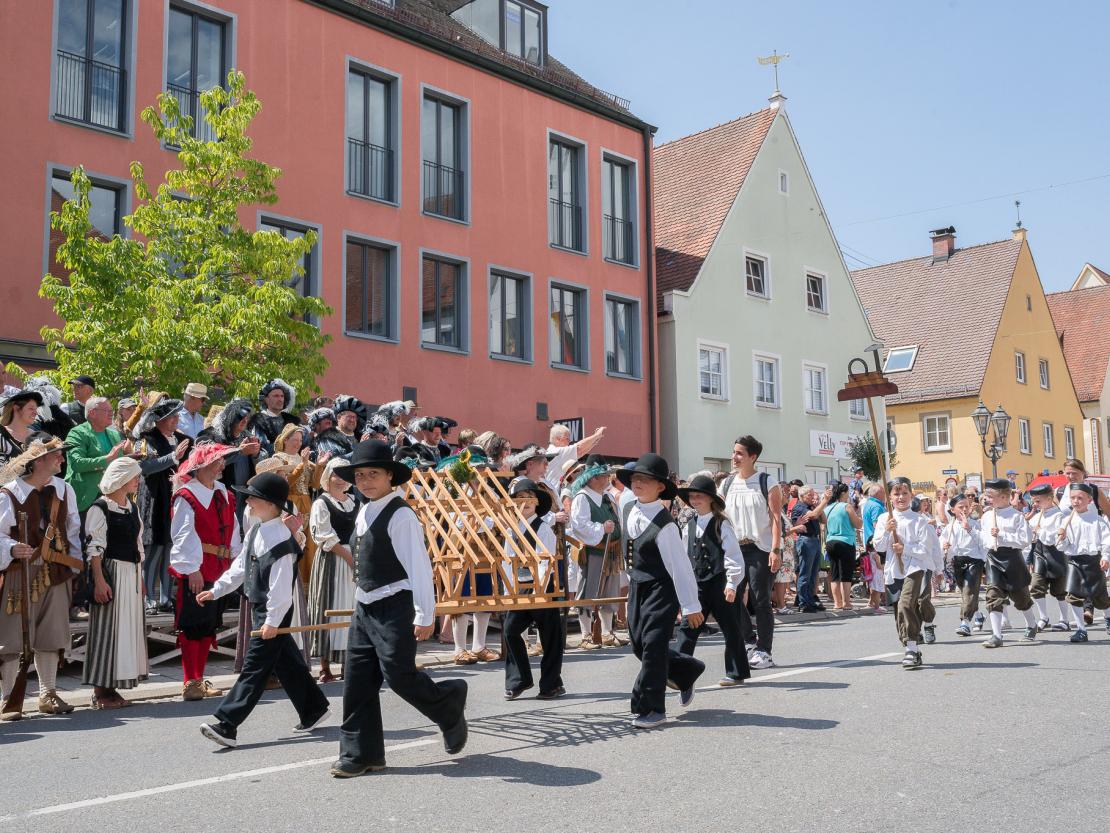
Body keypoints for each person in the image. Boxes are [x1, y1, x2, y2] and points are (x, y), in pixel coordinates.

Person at [330, 440, 468, 777]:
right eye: (359, 475)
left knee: (398, 675)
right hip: (365, 606)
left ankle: (448, 705)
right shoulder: (364, 509)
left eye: (373, 474)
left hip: (395, 604)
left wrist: (425, 614)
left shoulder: (402, 514)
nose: (365, 481)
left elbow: (419, 567)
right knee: (358, 681)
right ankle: (361, 754)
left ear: (390, 476)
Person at [196, 472, 330, 748]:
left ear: (270, 503)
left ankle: (227, 724)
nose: (248, 502)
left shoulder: (282, 540)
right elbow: (241, 567)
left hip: (274, 611)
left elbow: (281, 589)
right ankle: (314, 708)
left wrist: (272, 621)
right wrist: (217, 589)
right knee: (287, 662)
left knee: (254, 668)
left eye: (253, 498)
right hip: (260, 606)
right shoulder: (257, 529)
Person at [617, 453, 704, 729]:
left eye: (646, 480)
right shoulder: (628, 508)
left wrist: (691, 607)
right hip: (638, 586)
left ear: (660, 487)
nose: (638, 483)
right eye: (635, 478)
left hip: (661, 589)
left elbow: (680, 567)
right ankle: (686, 670)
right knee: (639, 645)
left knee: (653, 647)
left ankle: (651, 707)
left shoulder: (666, 525)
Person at [0, 434, 83, 719]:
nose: (62, 458)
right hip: (19, 571)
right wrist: (12, 548)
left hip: (56, 572)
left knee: (52, 634)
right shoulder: (9, 493)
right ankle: (9, 697)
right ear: (38, 461)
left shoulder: (64, 489)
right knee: (12, 637)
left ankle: (48, 693)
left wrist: (74, 568)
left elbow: (72, 531)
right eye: (56, 454)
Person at [168, 443, 242, 701]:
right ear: (202, 465)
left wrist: (234, 561)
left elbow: (233, 529)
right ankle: (190, 680)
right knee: (193, 624)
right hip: (199, 567)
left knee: (209, 623)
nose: (222, 465)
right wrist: (192, 570)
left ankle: (198, 678)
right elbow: (182, 534)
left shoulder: (224, 493)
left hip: (220, 567)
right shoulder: (187, 496)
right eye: (217, 460)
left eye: (222, 460)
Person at [82, 457, 148, 709]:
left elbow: (138, 543)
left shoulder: (132, 508)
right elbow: (95, 549)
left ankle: (113, 688)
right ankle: (101, 692)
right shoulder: (100, 508)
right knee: (108, 630)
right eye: (134, 476)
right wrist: (99, 581)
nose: (138, 480)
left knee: (125, 630)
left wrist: (139, 577)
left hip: (130, 573)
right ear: (122, 479)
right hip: (111, 572)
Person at [673, 474, 749, 687]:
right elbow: (684, 556)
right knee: (688, 628)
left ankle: (736, 672)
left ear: (710, 499)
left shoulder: (721, 524)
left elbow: (733, 555)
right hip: (696, 585)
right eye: (692, 497)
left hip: (720, 583)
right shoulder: (688, 525)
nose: (695, 500)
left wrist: (732, 583)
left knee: (730, 627)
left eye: (699, 496)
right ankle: (677, 673)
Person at [720, 435, 783, 669]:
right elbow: (720, 516)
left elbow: (776, 518)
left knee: (761, 599)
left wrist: (775, 549)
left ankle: (765, 651)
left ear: (752, 457)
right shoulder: (726, 484)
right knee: (732, 596)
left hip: (761, 548)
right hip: (735, 548)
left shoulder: (767, 481)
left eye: (740, 453)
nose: (734, 457)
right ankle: (748, 642)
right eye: (733, 452)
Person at [502, 477, 566, 700]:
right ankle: (520, 679)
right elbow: (507, 561)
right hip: (519, 588)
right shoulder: (512, 530)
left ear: (537, 502)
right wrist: (508, 589)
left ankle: (551, 684)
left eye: (529, 498)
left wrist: (539, 588)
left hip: (542, 587)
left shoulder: (543, 528)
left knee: (550, 637)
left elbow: (545, 561)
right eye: (520, 498)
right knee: (510, 630)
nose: (525, 502)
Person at [871, 477, 943, 669]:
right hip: (895, 569)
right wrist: (887, 531)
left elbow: (925, 549)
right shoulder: (884, 518)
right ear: (889, 497)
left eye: (904, 493)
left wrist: (905, 549)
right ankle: (912, 647)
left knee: (906, 603)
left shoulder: (920, 520)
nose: (901, 497)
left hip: (916, 567)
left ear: (911, 494)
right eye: (896, 494)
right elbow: (878, 546)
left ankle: (911, 648)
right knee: (899, 611)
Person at [133, 397, 191, 614]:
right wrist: (172, 457)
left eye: (177, 415)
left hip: (176, 499)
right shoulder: (146, 439)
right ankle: (149, 598)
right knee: (153, 548)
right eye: (172, 416)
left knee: (170, 548)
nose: (177, 419)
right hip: (154, 498)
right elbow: (145, 467)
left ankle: (166, 597)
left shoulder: (184, 439)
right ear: (160, 419)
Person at [308, 457, 358, 683]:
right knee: (327, 604)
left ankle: (350, 663)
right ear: (328, 475)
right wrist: (349, 557)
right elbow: (324, 536)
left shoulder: (356, 502)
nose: (339, 479)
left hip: (353, 558)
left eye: (344, 475)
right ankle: (325, 667)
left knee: (351, 607)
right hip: (332, 558)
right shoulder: (322, 503)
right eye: (336, 474)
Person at [568, 456, 624, 649]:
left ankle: (608, 632)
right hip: (593, 550)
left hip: (612, 550)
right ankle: (586, 635)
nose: (607, 479)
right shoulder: (582, 498)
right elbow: (579, 525)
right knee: (589, 591)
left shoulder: (607, 497)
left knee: (610, 591)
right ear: (592, 478)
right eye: (603, 476)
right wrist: (601, 528)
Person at [977, 478, 1039, 648]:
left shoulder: (1017, 516)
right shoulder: (988, 516)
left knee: (1021, 598)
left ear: (1004, 497)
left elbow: (1025, 540)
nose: (988, 499)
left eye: (992, 495)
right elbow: (983, 538)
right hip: (993, 558)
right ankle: (997, 635)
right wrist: (988, 541)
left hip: (1012, 559)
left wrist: (1002, 536)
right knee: (993, 596)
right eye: (987, 495)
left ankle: (1032, 625)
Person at [1056, 483, 1110, 642]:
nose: (1076, 501)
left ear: (1089, 500)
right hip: (1074, 561)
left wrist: (1105, 557)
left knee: (1100, 597)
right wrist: (1062, 537)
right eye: (1073, 498)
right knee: (1073, 595)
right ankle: (1081, 629)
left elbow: (1106, 541)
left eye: (1080, 498)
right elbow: (1061, 546)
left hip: (1094, 561)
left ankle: (1108, 619)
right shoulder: (1066, 520)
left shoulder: (1098, 520)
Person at [198, 398, 264, 521]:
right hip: (220, 493)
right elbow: (209, 463)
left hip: (245, 494)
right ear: (231, 417)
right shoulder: (209, 436)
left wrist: (255, 454)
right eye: (241, 417)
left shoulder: (248, 436)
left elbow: (261, 464)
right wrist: (240, 452)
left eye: (247, 417)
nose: (245, 421)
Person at [64, 396, 129, 514]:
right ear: (92, 413)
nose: (111, 414)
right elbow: (76, 464)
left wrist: (130, 458)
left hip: (112, 497)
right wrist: (107, 458)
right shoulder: (77, 433)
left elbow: (117, 463)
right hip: (86, 499)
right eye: (107, 411)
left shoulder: (114, 434)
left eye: (112, 411)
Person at [1025, 483, 1070, 632]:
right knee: (1036, 586)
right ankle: (1043, 617)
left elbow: (1054, 538)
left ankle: (1065, 619)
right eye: (1034, 501)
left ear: (1050, 498)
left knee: (1060, 589)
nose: (1035, 504)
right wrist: (1030, 533)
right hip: (1039, 554)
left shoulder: (1060, 516)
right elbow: (1028, 537)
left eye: (1038, 501)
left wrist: (1039, 532)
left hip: (1056, 555)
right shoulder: (1037, 516)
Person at [941, 494, 987, 637]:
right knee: (965, 593)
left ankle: (965, 622)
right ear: (953, 509)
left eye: (967, 506)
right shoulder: (949, 528)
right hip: (958, 561)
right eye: (961, 507)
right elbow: (943, 547)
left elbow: (983, 542)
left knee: (969, 591)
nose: (965, 509)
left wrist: (969, 529)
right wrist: (945, 546)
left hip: (975, 561)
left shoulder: (975, 524)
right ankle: (978, 615)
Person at [824, 482, 862, 611]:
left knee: (834, 573)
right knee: (845, 573)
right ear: (843, 493)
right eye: (847, 493)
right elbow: (858, 524)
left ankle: (837, 602)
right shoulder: (847, 506)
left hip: (830, 542)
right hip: (845, 541)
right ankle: (846, 602)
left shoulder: (828, 508)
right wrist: (860, 517)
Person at [789, 485, 826, 613]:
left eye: (813, 494)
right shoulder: (799, 507)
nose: (812, 497)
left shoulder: (810, 507)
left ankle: (810, 599)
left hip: (814, 540)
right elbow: (814, 516)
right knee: (805, 573)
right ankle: (803, 602)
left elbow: (823, 519)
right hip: (805, 540)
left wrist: (818, 506)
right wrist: (824, 501)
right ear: (802, 496)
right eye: (810, 495)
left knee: (813, 574)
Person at [544, 422, 606, 494]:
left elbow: (581, 452)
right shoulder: (557, 452)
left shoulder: (554, 451)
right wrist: (596, 435)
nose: (570, 441)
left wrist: (595, 439)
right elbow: (579, 449)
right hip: (555, 494)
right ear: (558, 439)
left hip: (554, 494)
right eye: (567, 438)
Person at [0, 387, 43, 468]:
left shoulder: (37, 437)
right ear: (16, 408)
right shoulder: (1, 436)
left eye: (36, 409)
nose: (36, 413)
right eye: (31, 408)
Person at [252, 379, 300, 451]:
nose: (280, 399)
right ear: (266, 399)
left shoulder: (291, 421)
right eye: (276, 396)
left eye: (282, 396)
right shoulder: (259, 421)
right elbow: (261, 447)